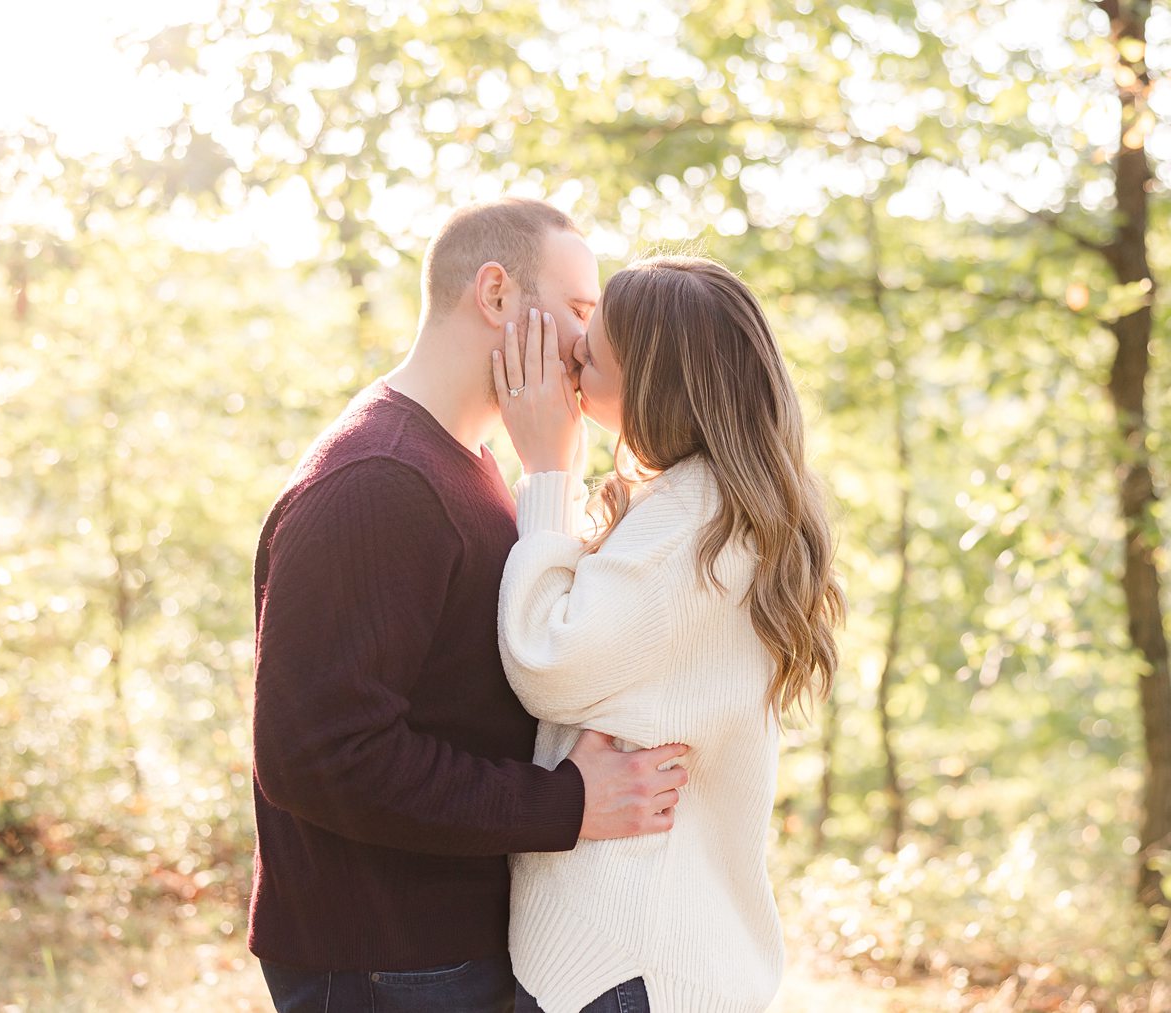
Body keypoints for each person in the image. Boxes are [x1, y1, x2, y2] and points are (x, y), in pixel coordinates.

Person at [248, 199, 690, 1013]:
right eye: (581, 312)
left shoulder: (470, 465)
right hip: (389, 959)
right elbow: (316, 755)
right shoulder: (378, 481)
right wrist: (566, 802)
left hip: (446, 945)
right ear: (496, 295)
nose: (591, 346)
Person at [490, 256, 846, 1013]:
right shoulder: (719, 507)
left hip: (620, 958)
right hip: (658, 950)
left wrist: (547, 472)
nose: (573, 354)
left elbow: (546, 661)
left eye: (594, 351)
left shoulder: (691, 523)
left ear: (652, 383)